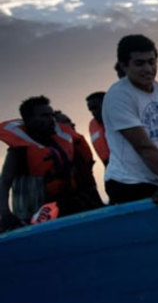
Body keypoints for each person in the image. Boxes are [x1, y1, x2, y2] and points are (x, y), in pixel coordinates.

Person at [102, 34, 158, 204]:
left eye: (152, 62)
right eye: (139, 63)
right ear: (124, 65)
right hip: (128, 182)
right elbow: (144, 147)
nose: (148, 69)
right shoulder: (118, 96)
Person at [1, 96, 103, 231]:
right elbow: (4, 182)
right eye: (44, 116)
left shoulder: (64, 142)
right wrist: (6, 214)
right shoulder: (18, 150)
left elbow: (82, 175)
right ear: (29, 120)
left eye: (51, 115)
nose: (51, 120)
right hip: (38, 214)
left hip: (69, 205)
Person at [86, 91, 109, 165]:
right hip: (111, 168)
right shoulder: (92, 126)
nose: (93, 112)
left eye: (95, 108)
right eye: (91, 110)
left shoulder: (123, 119)